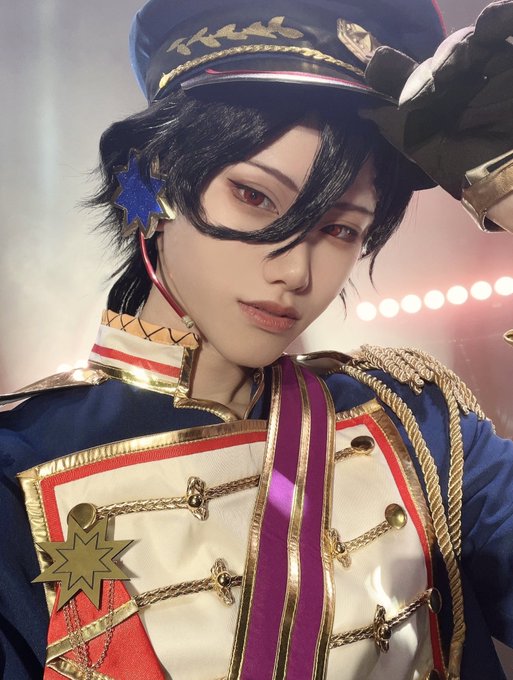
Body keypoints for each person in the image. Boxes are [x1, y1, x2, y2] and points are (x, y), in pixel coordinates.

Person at [0, 1, 512, 679]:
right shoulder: (18, 465)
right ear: (153, 181)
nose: (296, 272)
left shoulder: (418, 422)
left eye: (340, 229)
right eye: (255, 197)